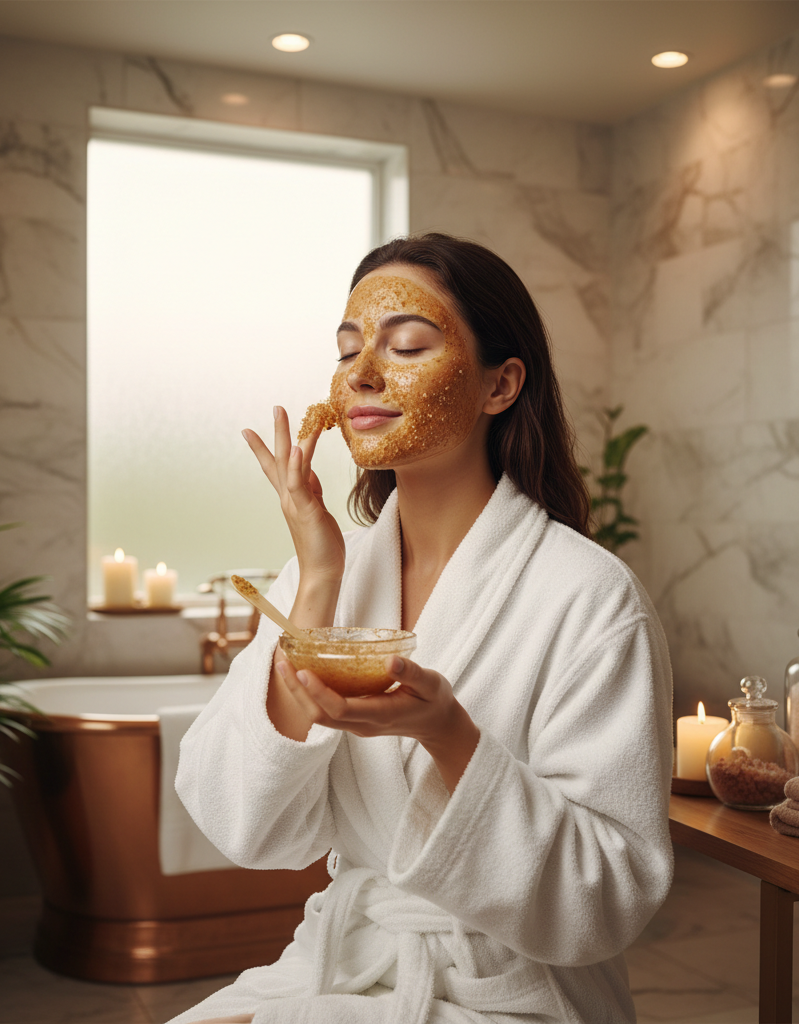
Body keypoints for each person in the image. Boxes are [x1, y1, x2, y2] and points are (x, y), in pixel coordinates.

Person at [170, 233, 673, 1024]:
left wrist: (451, 736)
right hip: (343, 961)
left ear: (500, 384)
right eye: (347, 350)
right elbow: (247, 826)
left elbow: (607, 898)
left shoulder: (591, 598)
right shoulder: (321, 575)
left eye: (406, 344)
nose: (362, 373)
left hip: (510, 992)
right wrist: (321, 577)